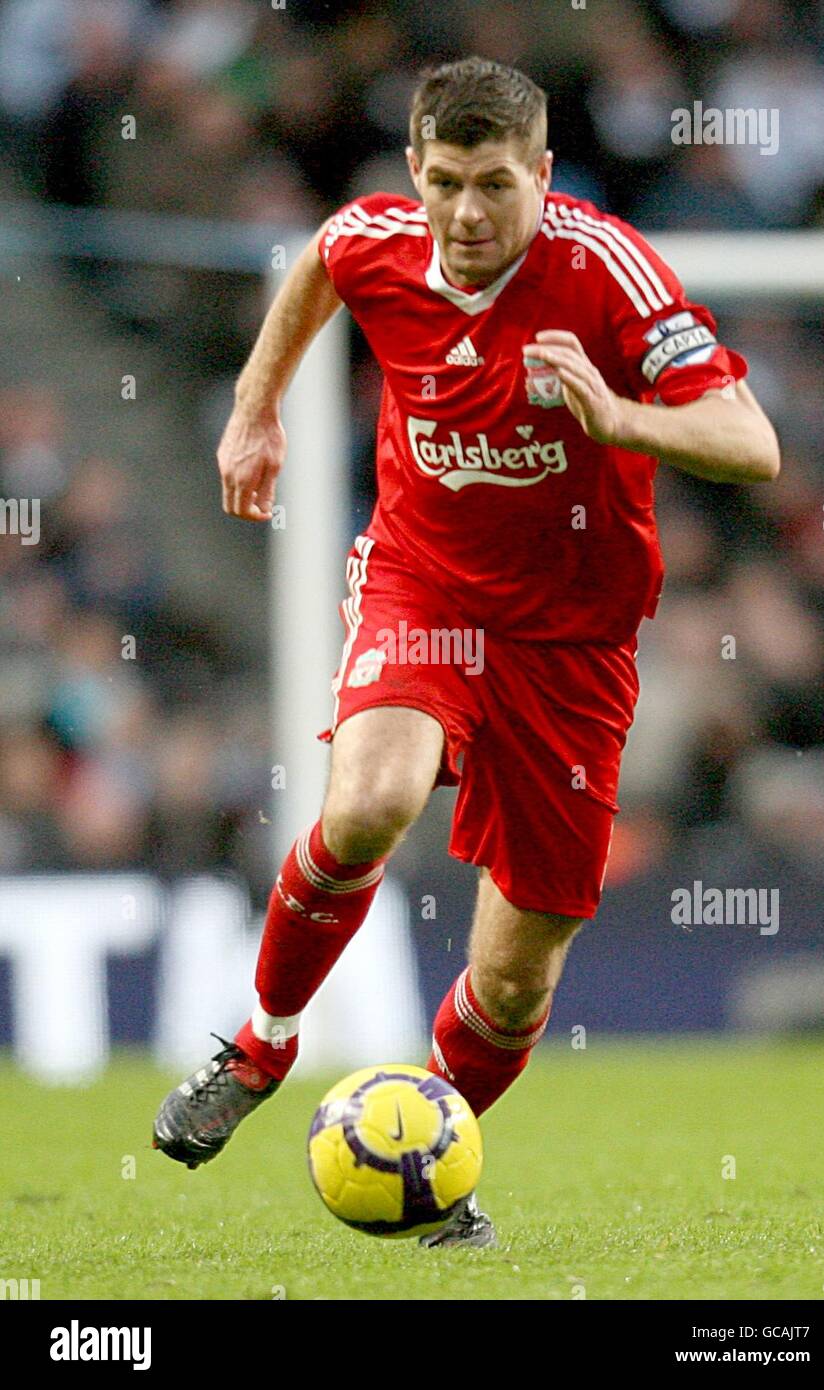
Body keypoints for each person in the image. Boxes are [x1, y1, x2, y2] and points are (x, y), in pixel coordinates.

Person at [153, 56, 779, 1248]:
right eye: (445, 182)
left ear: (541, 175)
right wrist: (253, 411)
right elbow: (320, 264)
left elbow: (747, 442)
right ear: (415, 172)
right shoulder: (379, 242)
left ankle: (433, 1152)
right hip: (420, 585)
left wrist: (616, 416)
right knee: (371, 798)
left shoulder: (605, 272)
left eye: (496, 183)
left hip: (570, 644)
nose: (468, 214)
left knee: (510, 981)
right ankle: (258, 1046)